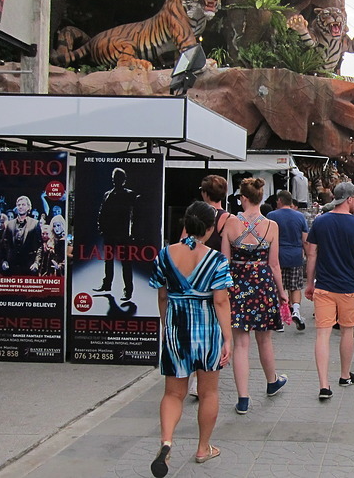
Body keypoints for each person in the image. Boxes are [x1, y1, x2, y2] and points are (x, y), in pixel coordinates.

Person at [148, 201, 233, 478]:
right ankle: (203, 447)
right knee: (208, 392)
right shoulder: (217, 260)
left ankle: (166, 442)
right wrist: (228, 338)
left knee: (173, 393)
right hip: (207, 330)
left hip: (176, 327)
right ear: (209, 229)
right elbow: (221, 301)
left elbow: (161, 295)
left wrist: (166, 324)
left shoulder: (165, 255)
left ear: (186, 224)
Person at [222, 178, 289, 413]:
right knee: (265, 339)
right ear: (260, 198)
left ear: (243, 198)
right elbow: (274, 265)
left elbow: (225, 261)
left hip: (237, 287)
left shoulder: (230, 223)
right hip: (263, 286)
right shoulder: (272, 226)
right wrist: (282, 293)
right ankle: (272, 381)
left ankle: (243, 398)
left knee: (241, 344)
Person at [305, 182, 354, 400]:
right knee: (347, 330)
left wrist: (310, 283)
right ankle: (344, 375)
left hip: (323, 285)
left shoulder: (320, 221)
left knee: (322, 334)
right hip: (349, 287)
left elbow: (312, 254)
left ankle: (324, 385)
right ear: (349, 199)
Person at [186, 175, 231, 398]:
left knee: (195, 325)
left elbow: (183, 244)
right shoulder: (227, 219)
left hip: (193, 276)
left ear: (205, 193)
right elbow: (227, 253)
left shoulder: (194, 215)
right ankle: (206, 371)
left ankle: (194, 376)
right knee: (214, 327)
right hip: (215, 277)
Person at [94, 168, 140, 300]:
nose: (115, 181)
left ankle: (128, 290)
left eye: (118, 178)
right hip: (110, 233)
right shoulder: (107, 194)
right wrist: (101, 227)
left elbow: (136, 215)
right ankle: (107, 284)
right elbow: (102, 212)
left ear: (123, 180)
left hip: (123, 234)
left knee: (126, 262)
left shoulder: (130, 195)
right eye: (114, 178)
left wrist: (133, 232)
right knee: (108, 261)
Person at [267, 190, 309, 331]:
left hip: (276, 255)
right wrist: (308, 257)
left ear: (279, 200)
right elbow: (305, 240)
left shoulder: (271, 216)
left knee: (279, 287)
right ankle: (295, 310)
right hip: (295, 255)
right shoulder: (300, 217)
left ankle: (280, 319)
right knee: (295, 286)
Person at [2, 196, 42, 275]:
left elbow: (39, 246)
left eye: (23, 205)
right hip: (11, 266)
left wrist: (36, 263)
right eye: (19, 205)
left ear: (28, 207)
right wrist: (4, 261)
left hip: (29, 266)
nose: (20, 207)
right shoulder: (9, 224)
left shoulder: (35, 224)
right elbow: (4, 245)